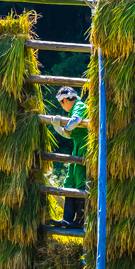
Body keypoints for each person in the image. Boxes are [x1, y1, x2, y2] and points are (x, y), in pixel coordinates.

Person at [48, 86, 87, 229]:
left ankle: (79, 221)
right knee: (70, 181)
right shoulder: (73, 109)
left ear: (64, 100)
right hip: (77, 149)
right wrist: (58, 128)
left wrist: (65, 127)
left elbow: (76, 121)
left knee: (81, 182)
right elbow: (69, 133)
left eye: (61, 103)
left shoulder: (79, 105)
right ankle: (66, 219)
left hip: (85, 149)